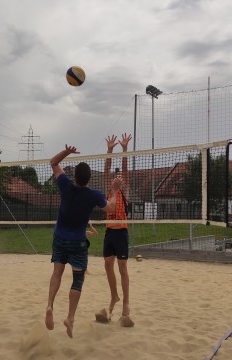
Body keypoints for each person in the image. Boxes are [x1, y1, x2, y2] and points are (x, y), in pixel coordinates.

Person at [45, 144, 121, 338]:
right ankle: (70, 318)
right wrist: (114, 189)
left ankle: (50, 306)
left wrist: (67, 152)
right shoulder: (93, 195)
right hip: (78, 242)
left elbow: (53, 162)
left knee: (57, 272)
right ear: (88, 179)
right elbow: (112, 208)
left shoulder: (65, 184)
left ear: (75, 177)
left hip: (60, 238)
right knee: (77, 280)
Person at [103, 133, 133, 322]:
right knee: (107, 266)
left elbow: (125, 170)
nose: (119, 179)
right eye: (117, 178)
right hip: (109, 232)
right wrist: (109, 149)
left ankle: (126, 302)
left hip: (121, 232)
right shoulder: (109, 190)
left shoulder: (125, 191)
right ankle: (114, 295)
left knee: (122, 267)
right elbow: (106, 171)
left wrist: (124, 149)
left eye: (121, 178)